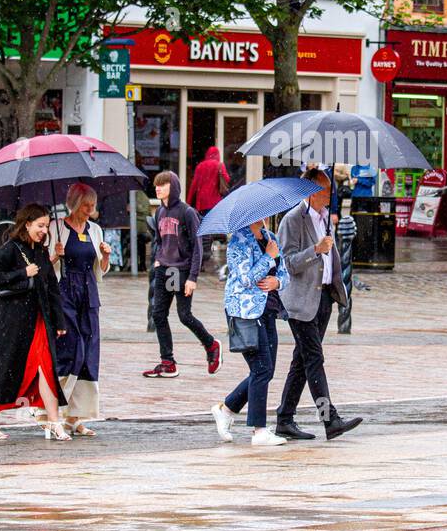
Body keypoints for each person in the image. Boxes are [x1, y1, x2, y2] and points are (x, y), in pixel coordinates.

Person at [273, 168, 363, 441]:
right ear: (309, 193)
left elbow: (331, 256)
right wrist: (315, 251)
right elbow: (287, 263)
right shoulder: (292, 220)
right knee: (314, 358)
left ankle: (284, 419)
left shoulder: (325, 219)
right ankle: (330, 419)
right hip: (300, 302)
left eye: (329, 191)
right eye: (324, 192)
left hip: (324, 297)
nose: (328, 196)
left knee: (301, 361)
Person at [0, 204, 70, 441]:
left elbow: (52, 288)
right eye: (40, 226)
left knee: (46, 367)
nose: (44, 230)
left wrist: (59, 320)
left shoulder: (42, 252)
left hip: (38, 319)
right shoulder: (10, 248)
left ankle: (54, 421)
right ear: (27, 224)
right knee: (2, 366)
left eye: (46, 226)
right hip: (10, 319)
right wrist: (23, 273)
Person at [212, 217, 290, 447]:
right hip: (245, 311)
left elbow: (284, 273)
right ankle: (259, 430)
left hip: (269, 309)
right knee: (262, 368)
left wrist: (277, 281)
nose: (264, 218)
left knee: (266, 369)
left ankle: (226, 409)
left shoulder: (270, 238)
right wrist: (268, 257)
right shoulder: (239, 240)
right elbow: (245, 278)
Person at [142, 171, 221, 378]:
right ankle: (167, 362)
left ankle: (211, 345)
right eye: (156, 185)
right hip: (165, 269)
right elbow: (159, 239)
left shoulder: (187, 212)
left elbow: (197, 246)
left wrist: (193, 277)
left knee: (184, 316)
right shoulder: (159, 212)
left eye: (163, 185)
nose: (158, 188)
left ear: (173, 187)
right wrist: (159, 258)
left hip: (182, 270)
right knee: (159, 314)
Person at [49, 184, 112, 436]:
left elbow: (100, 270)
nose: (90, 210)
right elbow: (46, 264)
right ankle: (54, 408)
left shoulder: (95, 230)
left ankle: (75, 416)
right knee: (70, 347)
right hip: (65, 291)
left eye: (92, 205)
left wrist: (106, 257)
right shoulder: (56, 227)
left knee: (89, 349)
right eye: (86, 204)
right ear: (74, 203)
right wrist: (55, 255)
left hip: (88, 293)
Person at [189, 146, 230, 268]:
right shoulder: (219, 165)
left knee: (203, 230)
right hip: (215, 204)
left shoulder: (200, 166)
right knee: (212, 229)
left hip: (202, 203)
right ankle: (210, 250)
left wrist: (189, 201)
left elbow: (194, 185)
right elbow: (227, 179)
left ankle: (201, 258)